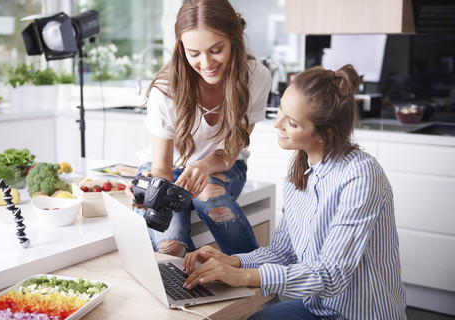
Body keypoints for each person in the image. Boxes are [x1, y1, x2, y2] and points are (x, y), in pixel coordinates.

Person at [182, 64, 407, 319]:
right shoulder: (299, 172)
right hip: (317, 308)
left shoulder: (361, 175)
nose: (277, 124)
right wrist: (235, 261)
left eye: (291, 122)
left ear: (325, 134)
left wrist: (244, 276)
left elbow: (331, 274)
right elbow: (283, 253)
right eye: (280, 110)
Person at [126, 0, 271, 257]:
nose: (206, 63)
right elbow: (162, 166)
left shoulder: (255, 77)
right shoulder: (166, 89)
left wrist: (203, 166)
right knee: (169, 247)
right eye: (194, 53)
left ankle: (254, 272)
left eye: (216, 50)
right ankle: (190, 289)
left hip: (224, 165)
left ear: (234, 40)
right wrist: (151, 192)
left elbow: (232, 148)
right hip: (169, 168)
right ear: (182, 49)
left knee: (207, 195)